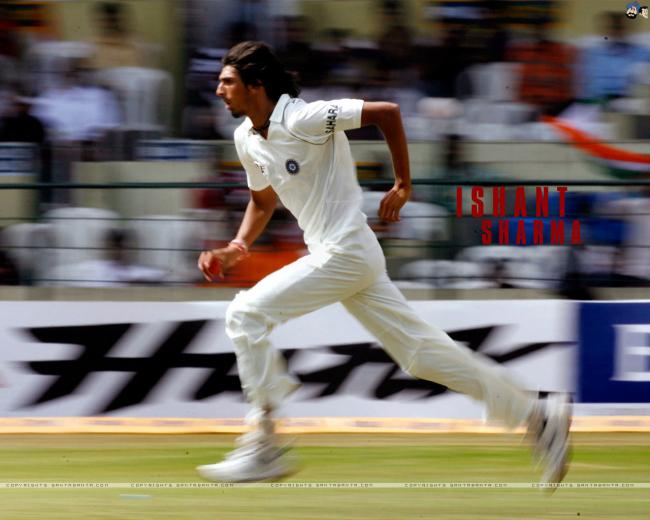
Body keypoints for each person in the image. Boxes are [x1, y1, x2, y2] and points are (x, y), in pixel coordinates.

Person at [196, 41, 571, 486]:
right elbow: (262, 201)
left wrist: (403, 183)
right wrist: (237, 246)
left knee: (245, 313)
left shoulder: (303, 118)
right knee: (421, 356)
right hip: (345, 255)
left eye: (227, 81)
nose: (218, 90)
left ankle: (264, 443)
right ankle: (537, 416)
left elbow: (386, 112)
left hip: (345, 251)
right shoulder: (245, 138)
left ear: (256, 84)